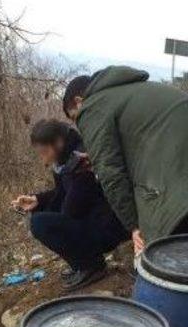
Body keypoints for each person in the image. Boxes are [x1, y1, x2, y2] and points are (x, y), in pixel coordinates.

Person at [62, 67, 188, 256]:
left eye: (75, 117)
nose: (79, 124)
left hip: (187, 188)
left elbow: (111, 174)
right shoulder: (136, 89)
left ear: (79, 101)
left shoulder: (92, 106)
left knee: (174, 264)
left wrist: (135, 226)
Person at [12, 120, 128, 288]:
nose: (44, 159)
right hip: (92, 218)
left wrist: (49, 209)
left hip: (108, 227)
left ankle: (92, 266)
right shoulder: (63, 160)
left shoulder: (81, 161)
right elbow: (62, 193)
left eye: (44, 152)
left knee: (39, 224)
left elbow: (71, 208)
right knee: (40, 215)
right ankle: (83, 264)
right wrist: (37, 201)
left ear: (58, 142)